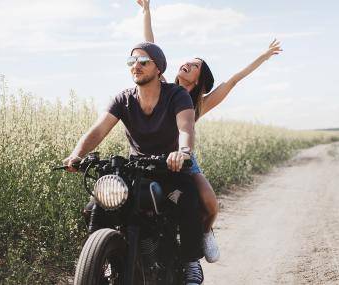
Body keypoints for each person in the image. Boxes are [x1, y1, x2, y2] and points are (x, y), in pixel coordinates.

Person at [136, 0, 283, 263]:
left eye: (194, 66)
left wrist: (263, 56)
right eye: (187, 62)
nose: (187, 65)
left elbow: (234, 79)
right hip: (153, 158)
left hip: (184, 159)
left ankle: (202, 237)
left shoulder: (200, 103)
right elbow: (151, 46)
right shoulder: (164, 87)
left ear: (198, 80)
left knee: (211, 205)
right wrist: (146, 10)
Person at [64, 42, 205, 285]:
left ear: (159, 68)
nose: (136, 66)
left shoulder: (176, 94)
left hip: (168, 168)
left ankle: (192, 260)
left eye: (143, 62)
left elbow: (186, 128)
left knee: (189, 198)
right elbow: (98, 130)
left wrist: (181, 152)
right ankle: (99, 259)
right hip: (135, 170)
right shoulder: (123, 98)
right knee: (94, 207)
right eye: (132, 62)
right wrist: (76, 155)